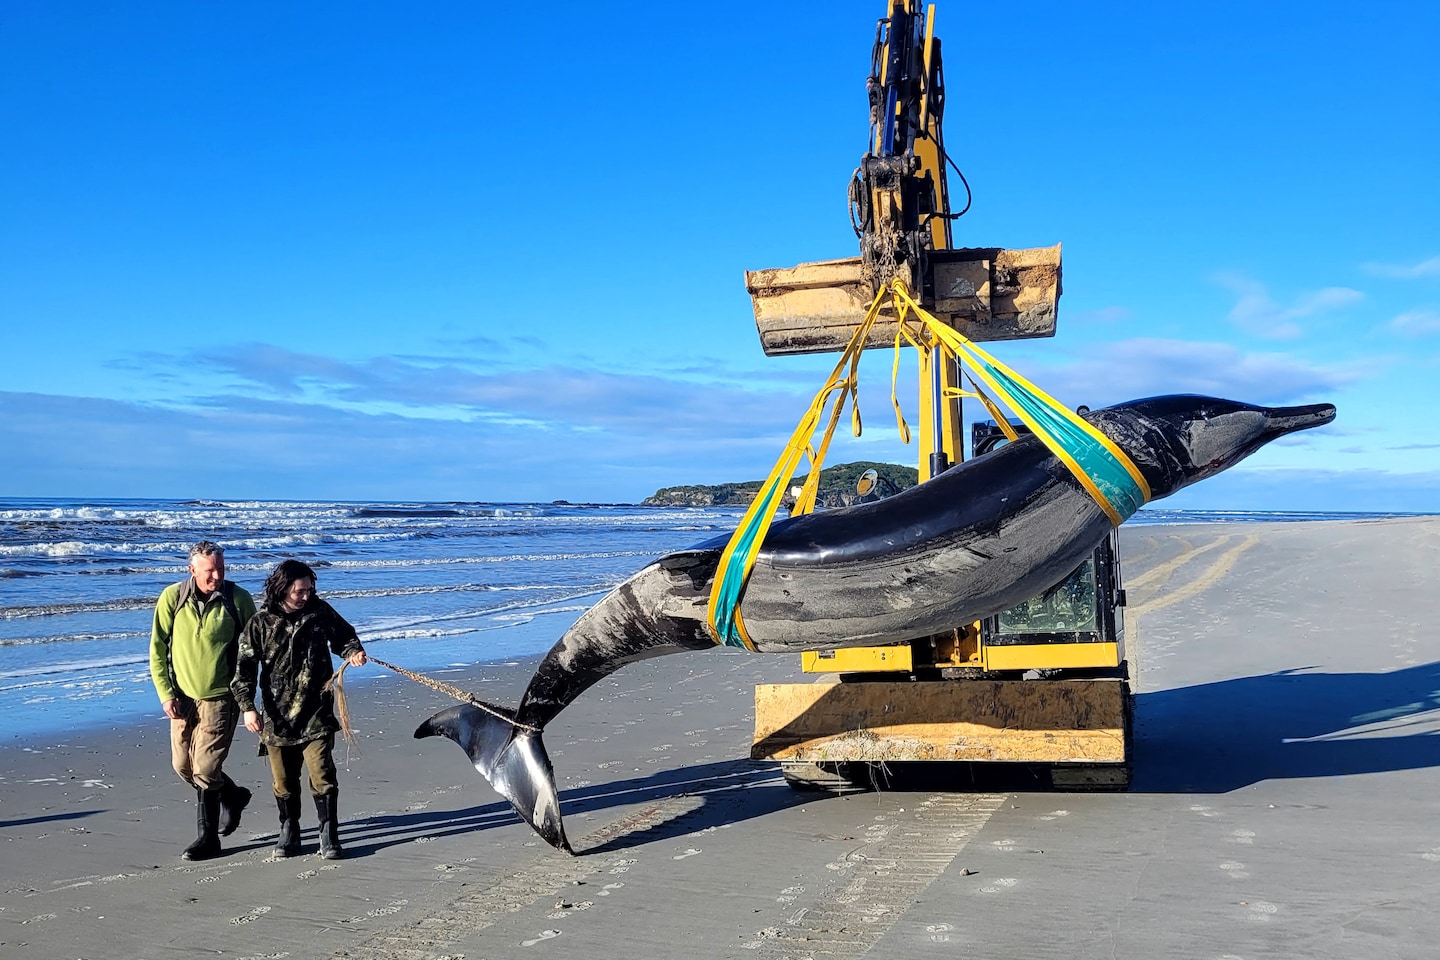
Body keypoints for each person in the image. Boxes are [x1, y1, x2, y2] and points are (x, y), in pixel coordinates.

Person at [232, 559, 367, 859]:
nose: (307, 595)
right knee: (283, 781)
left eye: (310, 589)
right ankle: (289, 830)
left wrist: (353, 651)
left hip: (317, 711)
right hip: (277, 717)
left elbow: (344, 636)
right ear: (282, 589)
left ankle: (328, 834)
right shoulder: (260, 623)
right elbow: (243, 669)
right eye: (300, 591)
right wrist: (247, 708)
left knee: (322, 774)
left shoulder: (320, 612)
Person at [149, 540, 257, 861]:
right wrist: (166, 693)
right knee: (182, 766)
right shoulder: (173, 598)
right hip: (182, 698)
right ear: (192, 569)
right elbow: (157, 649)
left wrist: (248, 698)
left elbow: (252, 652)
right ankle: (234, 796)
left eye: (221, 568)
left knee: (206, 769)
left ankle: (208, 839)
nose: (216, 576)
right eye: (209, 570)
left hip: (222, 698)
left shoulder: (238, 600)